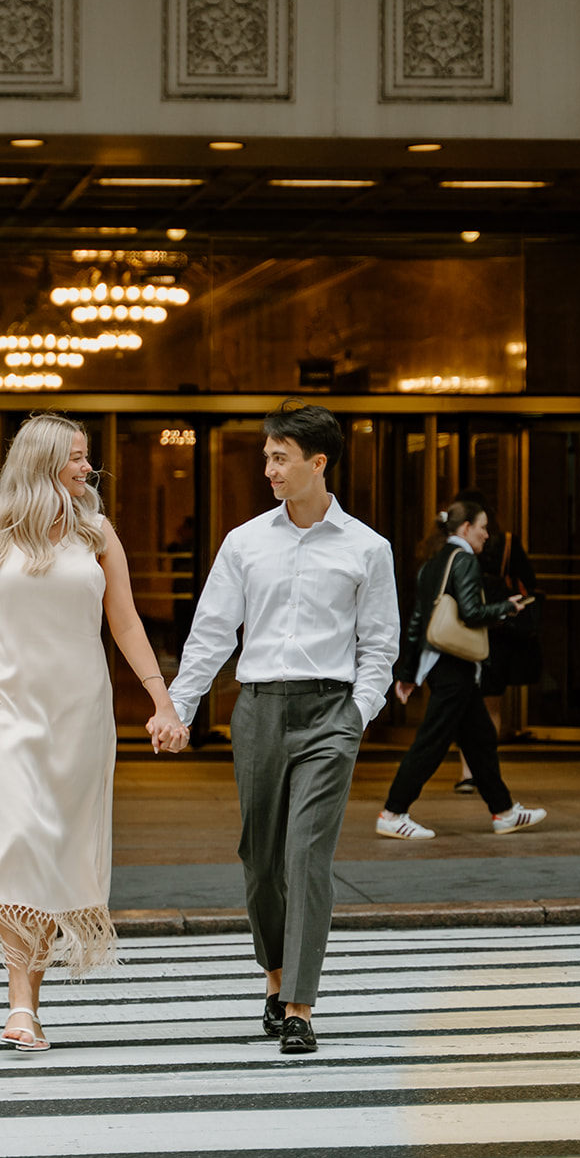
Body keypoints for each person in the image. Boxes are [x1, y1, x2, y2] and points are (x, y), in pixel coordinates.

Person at [0, 414, 188, 1052]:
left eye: (88, 458)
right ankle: (21, 1004)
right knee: (21, 839)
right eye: (76, 458)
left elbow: (128, 624)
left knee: (54, 849)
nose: (89, 468)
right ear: (41, 461)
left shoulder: (97, 533)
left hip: (79, 715)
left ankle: (32, 993)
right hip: (0, 710)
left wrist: (163, 702)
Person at [167, 401, 399, 1056]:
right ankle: (273, 981)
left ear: (316, 463)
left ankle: (299, 1004)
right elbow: (213, 631)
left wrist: (359, 712)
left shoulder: (366, 548)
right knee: (262, 859)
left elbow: (380, 645)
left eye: (279, 457)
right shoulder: (245, 543)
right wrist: (180, 709)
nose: (267, 468)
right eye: (266, 456)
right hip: (260, 709)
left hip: (330, 715)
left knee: (306, 856)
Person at [380, 500, 548, 841]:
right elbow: (471, 613)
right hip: (454, 663)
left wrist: (409, 672)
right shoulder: (465, 560)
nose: (487, 535)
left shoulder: (432, 565)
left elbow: (417, 620)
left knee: (481, 740)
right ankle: (393, 812)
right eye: (483, 527)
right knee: (431, 742)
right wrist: (507, 607)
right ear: (465, 528)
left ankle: (503, 811)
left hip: (438, 662)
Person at [452, 488, 540, 794]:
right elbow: (530, 584)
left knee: (466, 700)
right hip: (498, 633)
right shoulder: (507, 544)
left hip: (464, 629)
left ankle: (468, 771)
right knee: (490, 704)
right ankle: (486, 767)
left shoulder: (452, 550)